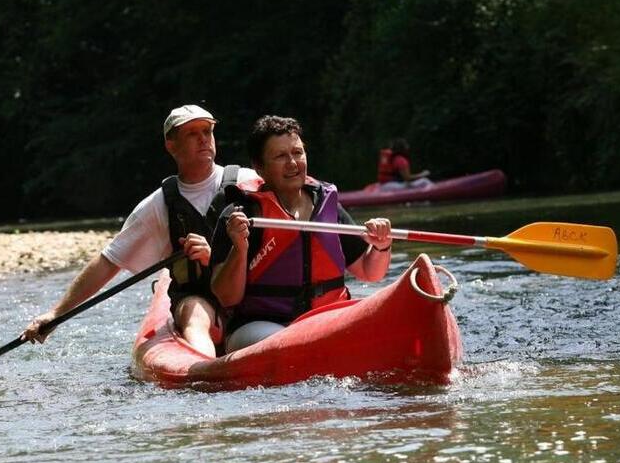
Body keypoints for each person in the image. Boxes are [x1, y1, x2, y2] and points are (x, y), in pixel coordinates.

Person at [20, 104, 259, 357]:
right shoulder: (157, 206)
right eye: (191, 134)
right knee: (194, 311)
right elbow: (108, 262)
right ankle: (206, 369)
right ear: (171, 145)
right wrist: (57, 314)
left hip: (252, 292)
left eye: (206, 131)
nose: (202, 139)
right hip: (199, 298)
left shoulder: (247, 182)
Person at [210, 115, 393, 353]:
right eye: (280, 156)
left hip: (327, 319)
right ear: (259, 167)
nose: (293, 163)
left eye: (297, 153)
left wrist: (381, 246)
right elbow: (227, 298)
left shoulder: (326, 204)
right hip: (262, 326)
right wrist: (240, 248)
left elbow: (370, 272)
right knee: (295, 344)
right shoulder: (241, 215)